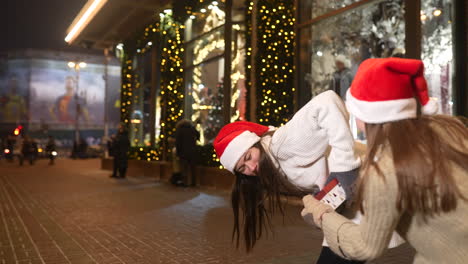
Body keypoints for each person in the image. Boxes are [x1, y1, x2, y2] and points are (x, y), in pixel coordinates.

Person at [301, 58, 468, 263]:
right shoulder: (449, 129)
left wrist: (321, 213)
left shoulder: (386, 169)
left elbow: (365, 247)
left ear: (367, 113)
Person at [214, 90, 367, 263]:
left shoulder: (280, 144)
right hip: (356, 199)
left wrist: (345, 167)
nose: (251, 167)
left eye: (248, 157)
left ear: (255, 144)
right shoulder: (270, 169)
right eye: (242, 168)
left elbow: (327, 100)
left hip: (370, 178)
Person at [175, 119, 200, 187]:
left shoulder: (180, 130)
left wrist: (178, 153)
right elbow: (198, 136)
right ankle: (193, 182)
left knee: (184, 168)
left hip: (183, 152)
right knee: (193, 168)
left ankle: (185, 182)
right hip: (193, 151)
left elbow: (178, 143)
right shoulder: (192, 129)